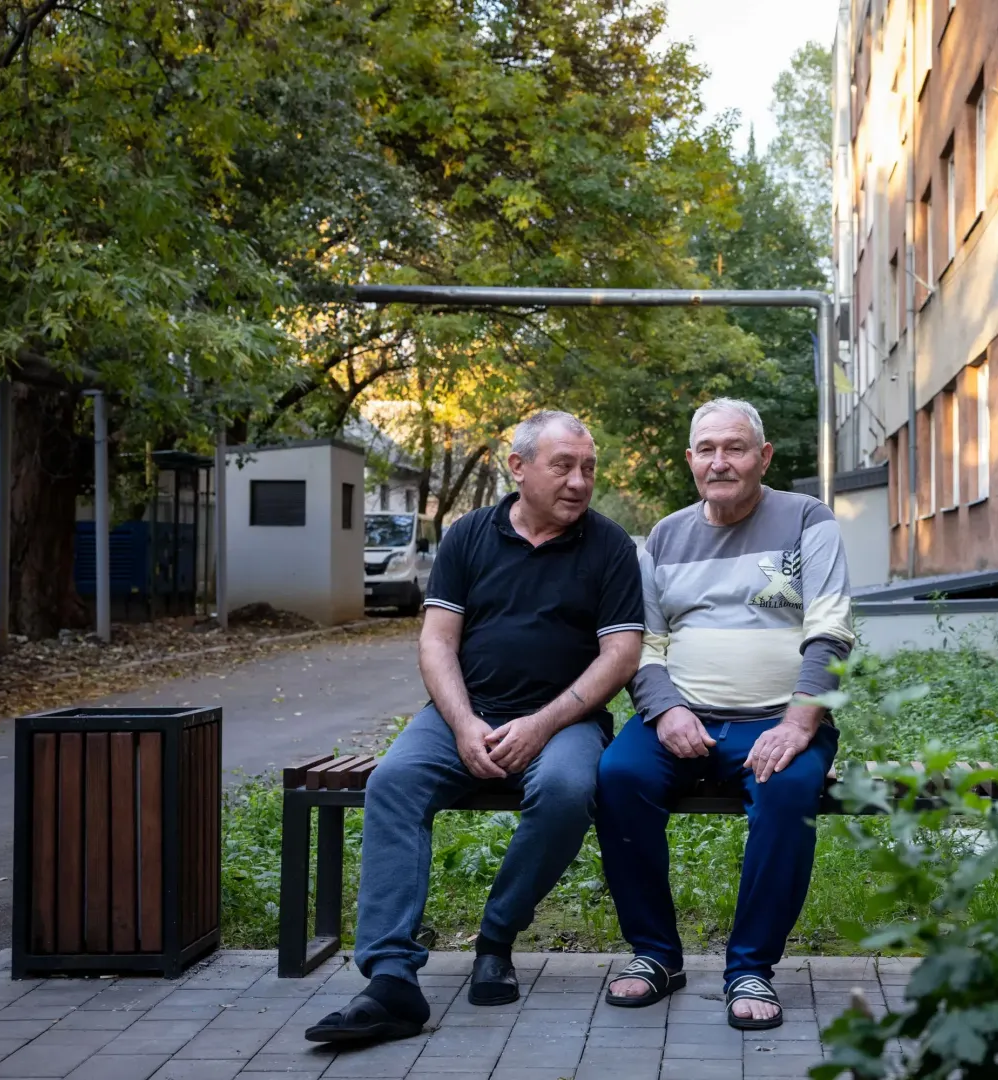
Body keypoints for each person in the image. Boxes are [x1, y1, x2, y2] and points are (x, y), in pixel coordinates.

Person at [306, 411, 643, 1045]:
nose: (579, 481)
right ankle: (391, 980)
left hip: (565, 719)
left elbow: (621, 656)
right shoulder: (468, 536)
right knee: (396, 782)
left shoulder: (609, 545)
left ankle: (497, 935)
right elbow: (436, 643)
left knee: (569, 791)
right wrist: (463, 724)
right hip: (464, 712)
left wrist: (540, 726)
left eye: (589, 468)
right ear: (517, 468)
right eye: (563, 466)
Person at [596, 397, 854, 1031]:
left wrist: (798, 723)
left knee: (789, 787)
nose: (720, 462)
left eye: (734, 448)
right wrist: (664, 712)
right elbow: (646, 644)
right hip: (681, 717)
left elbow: (832, 629)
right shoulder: (664, 536)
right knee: (617, 777)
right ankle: (654, 954)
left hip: (779, 720)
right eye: (706, 450)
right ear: (690, 461)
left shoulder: (807, 519)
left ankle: (751, 967)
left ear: (763, 457)